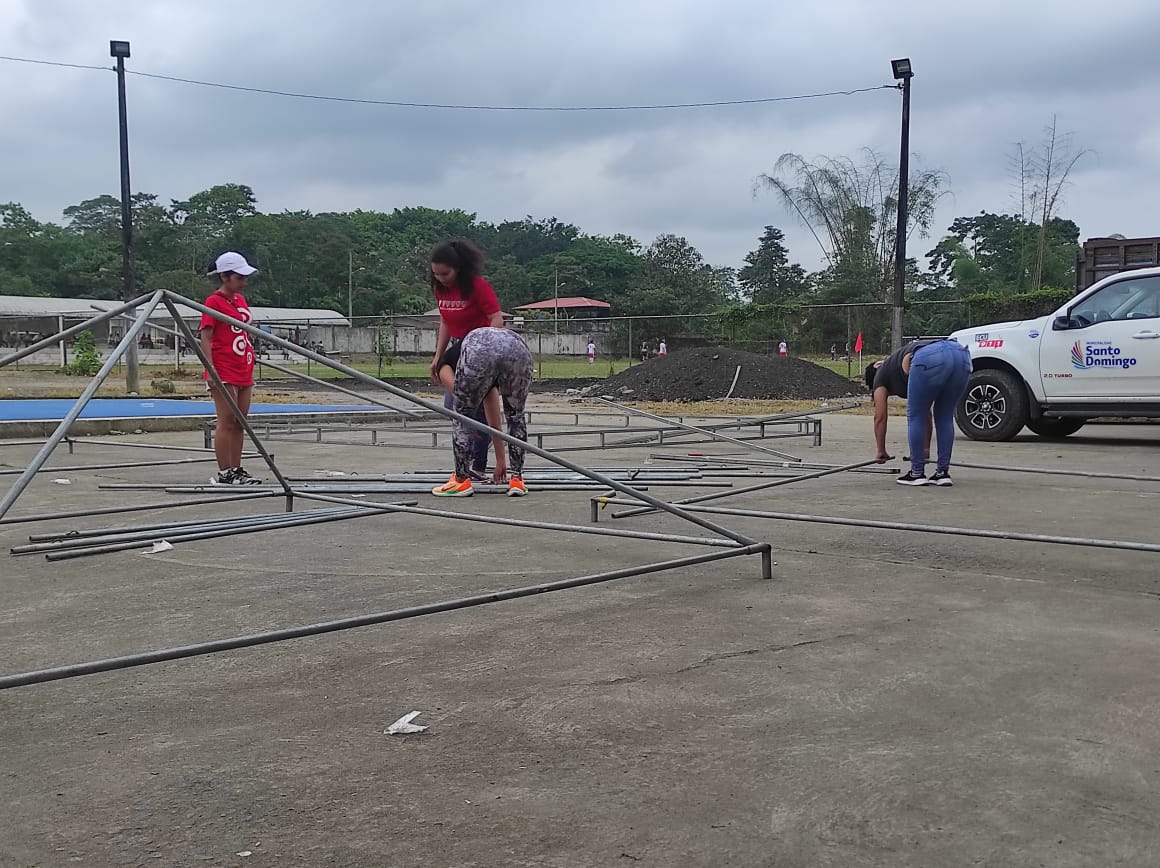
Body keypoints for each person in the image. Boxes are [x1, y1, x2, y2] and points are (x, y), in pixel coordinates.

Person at [428, 239, 506, 479]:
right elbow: (445, 321)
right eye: (436, 274)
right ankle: (475, 451)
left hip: (480, 344)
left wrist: (486, 347)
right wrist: (438, 355)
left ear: (458, 268)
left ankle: (478, 465)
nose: (441, 278)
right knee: (453, 405)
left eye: (445, 273)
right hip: (458, 346)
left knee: (479, 408)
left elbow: (496, 318)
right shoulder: (440, 289)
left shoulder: (477, 286)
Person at [432, 327, 533, 498]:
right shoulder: (485, 367)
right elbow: (494, 420)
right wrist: (500, 461)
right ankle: (517, 480)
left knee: (462, 416)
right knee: (516, 416)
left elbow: (461, 401)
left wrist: (470, 418)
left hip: (479, 351)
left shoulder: (443, 365)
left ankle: (461, 481)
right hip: (517, 348)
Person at [866, 338, 973, 486]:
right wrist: (925, 449)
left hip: (929, 357)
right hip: (961, 355)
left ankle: (917, 473)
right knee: (944, 417)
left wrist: (880, 450)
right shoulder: (893, 367)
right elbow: (926, 413)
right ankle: (942, 473)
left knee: (915, 416)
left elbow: (880, 417)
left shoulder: (879, 377)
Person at [201, 251, 262, 485]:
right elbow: (206, 337)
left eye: (245, 278)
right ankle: (225, 472)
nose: (244, 282)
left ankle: (237, 469)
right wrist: (211, 369)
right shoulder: (213, 302)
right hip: (223, 366)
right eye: (239, 278)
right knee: (226, 420)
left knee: (240, 422)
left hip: (243, 365)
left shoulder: (239, 300)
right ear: (224, 277)